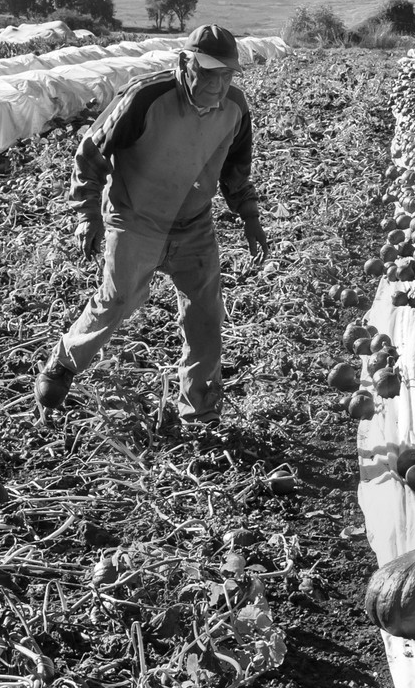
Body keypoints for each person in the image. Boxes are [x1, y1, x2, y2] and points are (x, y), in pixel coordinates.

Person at [33, 24, 268, 423]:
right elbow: (91, 154)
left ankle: (200, 411)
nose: (217, 85)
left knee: (206, 315)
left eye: (226, 75)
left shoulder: (235, 108)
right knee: (118, 300)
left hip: (193, 224)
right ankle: (63, 363)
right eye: (208, 74)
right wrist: (87, 215)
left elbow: (236, 171)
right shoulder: (145, 97)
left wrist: (250, 217)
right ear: (185, 63)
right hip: (135, 219)